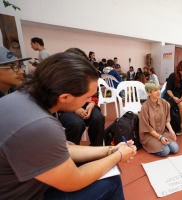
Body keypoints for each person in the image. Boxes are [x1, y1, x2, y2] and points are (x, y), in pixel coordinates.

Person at [0, 52, 137, 199]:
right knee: (111, 181)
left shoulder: (21, 98)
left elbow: (65, 148)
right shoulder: (40, 125)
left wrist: (112, 149)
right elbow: (75, 180)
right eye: (87, 97)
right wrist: (118, 156)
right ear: (65, 97)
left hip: (28, 182)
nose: (91, 99)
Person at [58, 48, 105, 146]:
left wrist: (92, 104)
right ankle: (72, 153)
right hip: (66, 110)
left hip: (87, 106)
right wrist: (75, 109)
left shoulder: (87, 75)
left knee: (98, 118)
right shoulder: (61, 78)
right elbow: (58, 100)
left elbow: (94, 95)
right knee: (76, 123)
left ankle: (96, 148)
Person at [139, 81, 179, 157]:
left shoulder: (164, 103)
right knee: (165, 151)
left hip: (162, 132)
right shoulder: (145, 107)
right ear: (148, 93)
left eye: (159, 89)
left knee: (175, 149)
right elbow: (147, 128)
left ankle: (159, 143)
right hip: (149, 135)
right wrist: (160, 137)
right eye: (155, 90)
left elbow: (167, 120)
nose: (158, 92)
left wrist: (171, 130)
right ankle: (148, 145)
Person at [163, 60, 182, 135]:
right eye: (180, 70)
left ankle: (178, 125)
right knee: (167, 105)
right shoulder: (172, 76)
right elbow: (168, 89)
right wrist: (173, 97)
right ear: (178, 69)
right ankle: (167, 125)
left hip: (181, 97)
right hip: (170, 96)